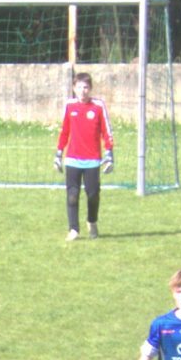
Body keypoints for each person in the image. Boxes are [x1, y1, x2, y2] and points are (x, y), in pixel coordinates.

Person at [57, 71, 115, 242]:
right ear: (74, 88)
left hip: (92, 160)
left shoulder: (98, 106)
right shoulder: (69, 106)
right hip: (73, 159)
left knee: (93, 194)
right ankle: (74, 229)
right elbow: (64, 131)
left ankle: (92, 221)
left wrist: (109, 153)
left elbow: (106, 130)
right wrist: (58, 153)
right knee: (72, 195)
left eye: (86, 87)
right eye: (80, 87)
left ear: (90, 89)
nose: (83, 91)